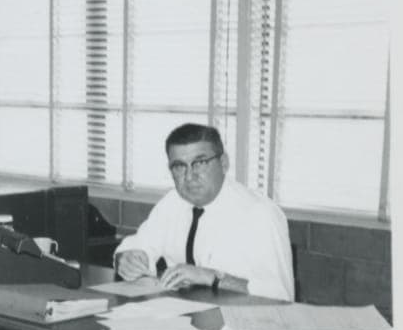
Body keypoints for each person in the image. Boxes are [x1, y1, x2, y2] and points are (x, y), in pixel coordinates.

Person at [114, 123, 295, 302]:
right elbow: (139, 245)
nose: (189, 176)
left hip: (239, 317)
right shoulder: (172, 202)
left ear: (223, 163)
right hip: (179, 315)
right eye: (179, 166)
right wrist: (127, 259)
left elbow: (281, 296)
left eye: (200, 163)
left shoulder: (260, 214)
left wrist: (210, 277)